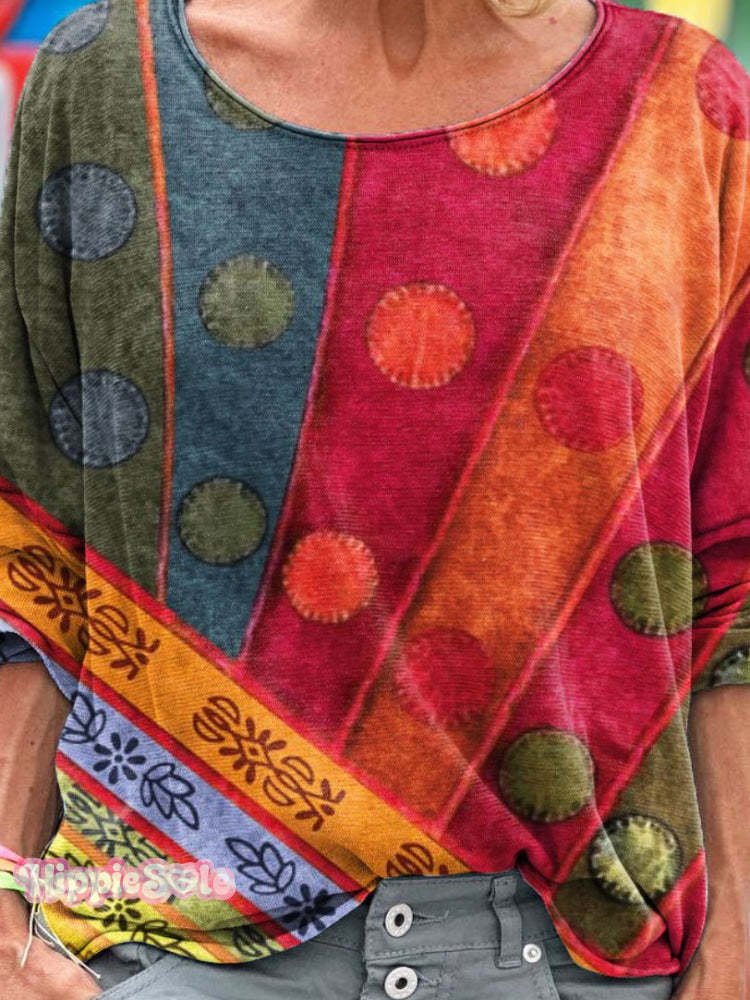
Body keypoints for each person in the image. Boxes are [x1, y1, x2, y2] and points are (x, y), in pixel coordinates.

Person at [0, 0, 748, 996]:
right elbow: (32, 541)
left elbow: (734, 577)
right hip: (168, 945)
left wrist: (742, 943)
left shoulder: (681, 111)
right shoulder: (106, 82)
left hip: (580, 955)